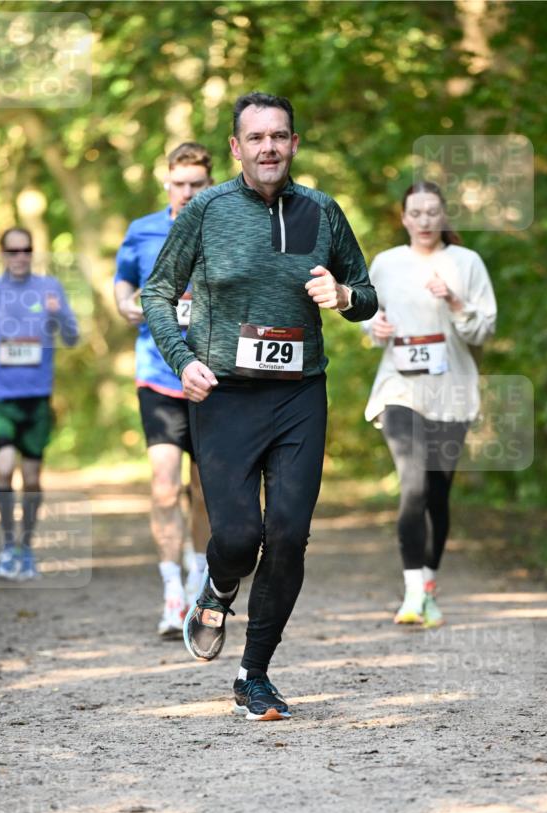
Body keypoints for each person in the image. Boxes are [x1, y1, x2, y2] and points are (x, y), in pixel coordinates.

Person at [141, 92, 377, 721]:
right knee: (239, 536)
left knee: (290, 535)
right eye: (257, 138)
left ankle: (255, 673)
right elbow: (158, 292)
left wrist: (344, 293)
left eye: (280, 136)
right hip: (225, 394)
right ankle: (217, 587)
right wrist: (181, 359)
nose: (269, 147)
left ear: (294, 143)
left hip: (300, 392)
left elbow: (369, 297)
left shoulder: (322, 211)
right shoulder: (208, 209)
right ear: (236, 147)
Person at [363, 181, 497, 626]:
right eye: (415, 213)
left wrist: (455, 300)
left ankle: (430, 585)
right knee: (413, 484)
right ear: (403, 218)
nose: (423, 221)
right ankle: (412, 593)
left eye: (431, 213)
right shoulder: (385, 264)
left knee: (437, 495)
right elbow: (369, 318)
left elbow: (484, 330)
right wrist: (374, 329)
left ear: (443, 217)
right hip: (399, 390)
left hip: (452, 392)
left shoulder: (466, 263)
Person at [114, 143, 213, 638]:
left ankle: (200, 579)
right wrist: (126, 306)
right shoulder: (142, 231)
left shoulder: (224, 225)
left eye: (198, 184)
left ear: (210, 184)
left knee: (204, 491)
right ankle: (172, 590)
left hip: (214, 377)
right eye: (180, 184)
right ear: (167, 183)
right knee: (163, 485)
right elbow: (122, 283)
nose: (188, 192)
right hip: (157, 373)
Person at [0, 226, 79, 580]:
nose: (19, 257)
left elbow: (72, 337)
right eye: (12, 251)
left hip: (36, 395)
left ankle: (25, 548)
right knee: (3, 468)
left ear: (33, 252)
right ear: (2, 255)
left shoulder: (50, 289)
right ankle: (6, 545)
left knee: (30, 479)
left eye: (26, 250)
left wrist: (57, 313)